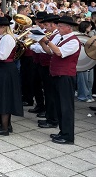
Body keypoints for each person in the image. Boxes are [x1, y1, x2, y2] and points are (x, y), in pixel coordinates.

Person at [38, 16, 80, 144]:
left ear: (69, 27)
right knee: (59, 106)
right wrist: (40, 41)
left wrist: (45, 40)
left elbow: (59, 52)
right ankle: (62, 132)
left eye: (61, 26)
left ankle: (68, 136)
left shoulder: (73, 41)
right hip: (57, 75)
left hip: (65, 77)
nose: (58, 28)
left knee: (66, 107)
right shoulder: (62, 38)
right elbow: (50, 51)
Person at [76, 21, 94, 102]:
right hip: (82, 60)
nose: (90, 27)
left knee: (90, 80)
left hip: (89, 60)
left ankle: (89, 95)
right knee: (83, 80)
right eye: (89, 26)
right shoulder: (77, 36)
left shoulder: (89, 36)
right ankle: (83, 96)